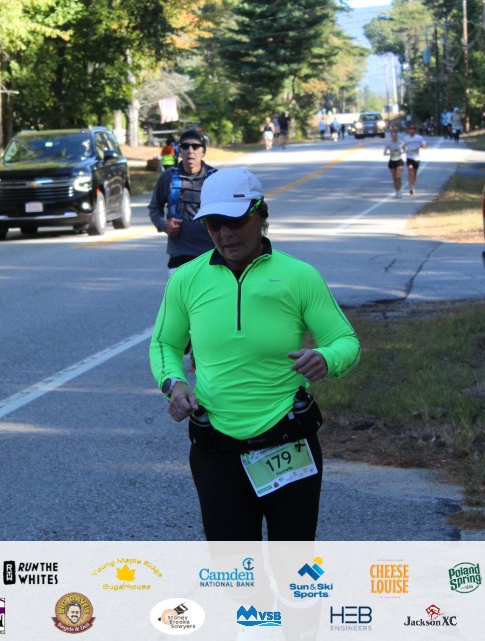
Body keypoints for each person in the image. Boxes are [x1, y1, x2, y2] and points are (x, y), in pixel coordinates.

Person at [149, 168, 361, 541]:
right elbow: (164, 343)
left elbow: (345, 340)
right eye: (213, 224)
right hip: (216, 447)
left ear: (261, 214)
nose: (225, 234)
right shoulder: (186, 279)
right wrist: (173, 383)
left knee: (292, 565)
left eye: (235, 221)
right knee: (234, 568)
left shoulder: (299, 276)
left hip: (287, 440)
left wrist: (327, 358)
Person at [147, 129, 218, 274]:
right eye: (185, 146)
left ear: (203, 151)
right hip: (179, 255)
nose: (190, 151)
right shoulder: (168, 177)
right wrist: (163, 224)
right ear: (180, 151)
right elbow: (154, 207)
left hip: (212, 254)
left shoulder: (215, 178)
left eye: (195, 146)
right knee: (179, 289)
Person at [402, 124, 427, 195]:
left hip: (416, 158)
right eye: (410, 129)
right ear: (408, 130)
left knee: (415, 173)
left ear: (415, 130)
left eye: (413, 129)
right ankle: (411, 187)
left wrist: (420, 146)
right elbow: (402, 146)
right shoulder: (405, 138)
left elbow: (424, 145)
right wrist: (404, 149)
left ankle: (413, 185)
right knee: (410, 171)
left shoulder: (419, 138)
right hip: (409, 157)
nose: (411, 130)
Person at [383, 129, 405, 198]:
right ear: (391, 136)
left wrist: (401, 152)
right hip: (392, 161)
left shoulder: (401, 142)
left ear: (397, 135)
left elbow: (405, 149)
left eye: (395, 135)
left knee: (398, 176)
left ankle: (400, 190)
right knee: (394, 178)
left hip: (399, 160)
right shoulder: (388, 143)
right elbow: (384, 153)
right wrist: (391, 153)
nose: (394, 136)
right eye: (392, 135)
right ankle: (397, 191)